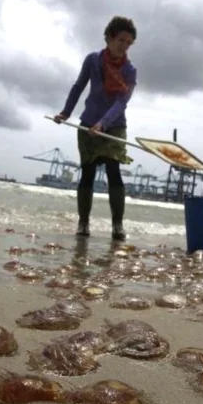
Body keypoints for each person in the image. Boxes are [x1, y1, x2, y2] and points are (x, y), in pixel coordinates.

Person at [54, 16, 137, 241]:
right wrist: (66, 112)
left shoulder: (130, 70)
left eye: (129, 43)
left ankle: (117, 225)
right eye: (121, 40)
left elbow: (121, 102)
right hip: (88, 122)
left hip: (115, 126)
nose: (124, 46)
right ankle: (83, 223)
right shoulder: (92, 60)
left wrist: (104, 124)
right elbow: (79, 86)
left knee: (113, 171)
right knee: (88, 173)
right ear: (109, 37)